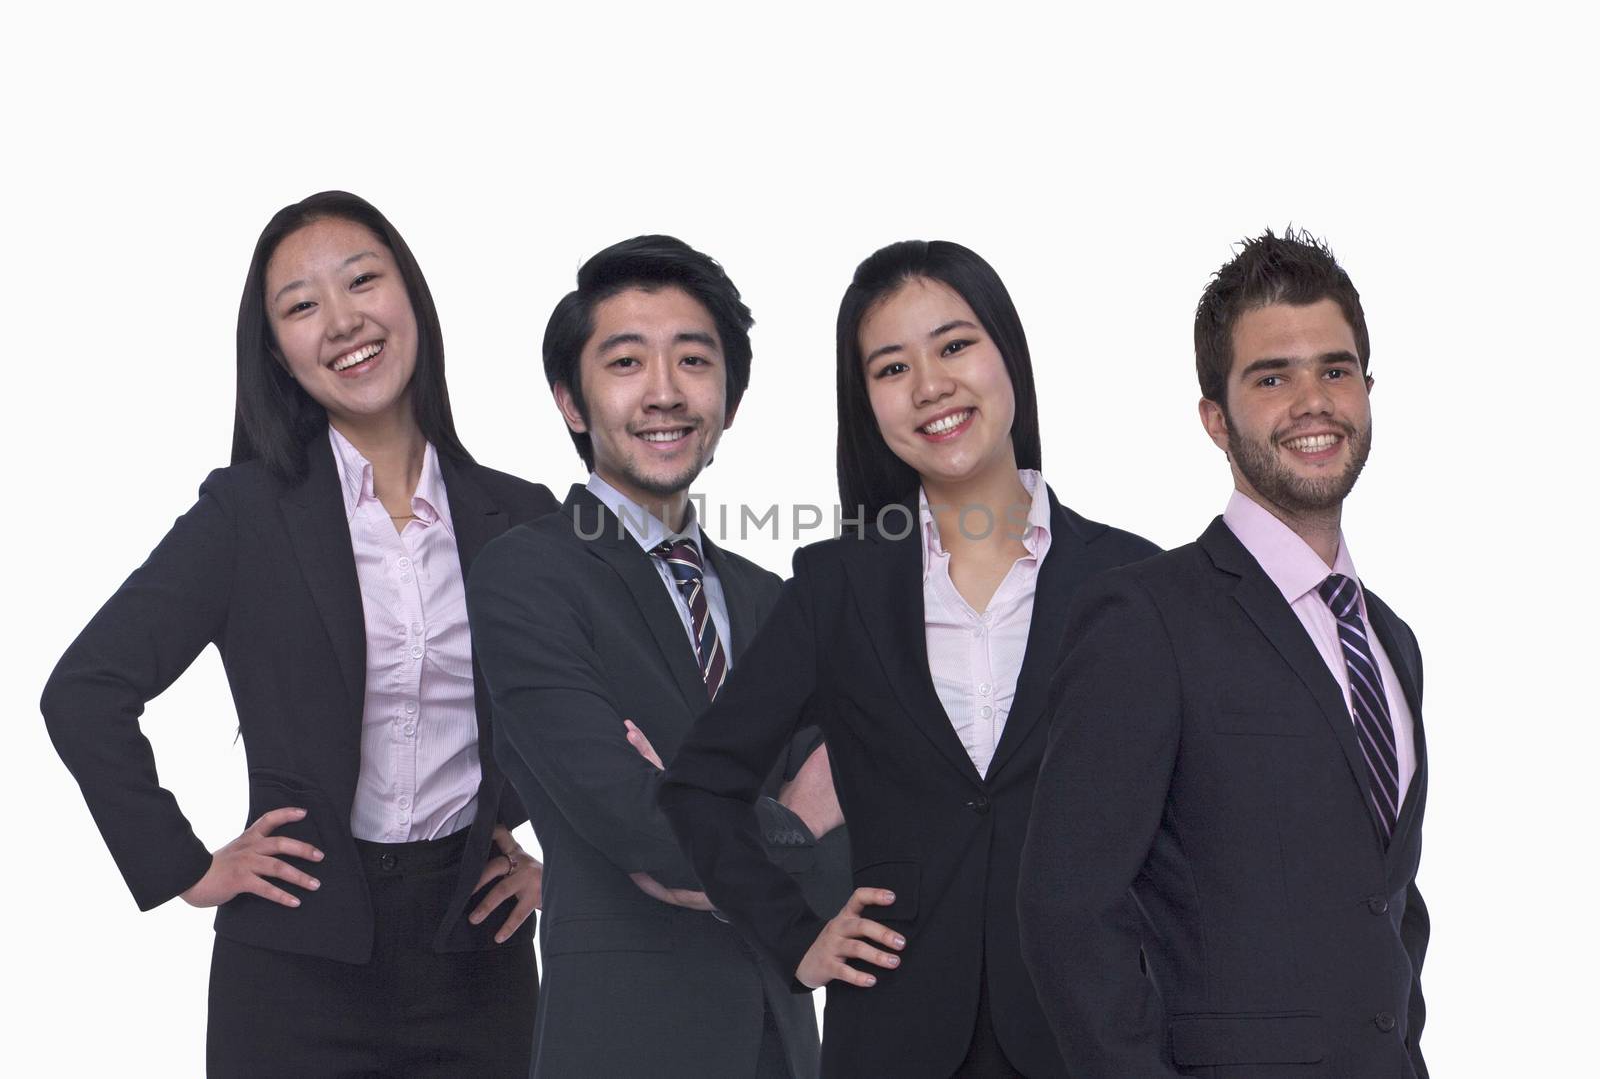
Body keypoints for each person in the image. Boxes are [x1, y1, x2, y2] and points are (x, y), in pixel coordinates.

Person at [40, 191, 554, 1078]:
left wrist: (570, 872)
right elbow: (85, 689)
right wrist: (185, 866)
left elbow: (615, 715)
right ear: (277, 351)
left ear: (412, 298)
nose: (344, 320)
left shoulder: (522, 517)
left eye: (363, 281)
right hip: (292, 969)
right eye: (302, 305)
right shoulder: (245, 515)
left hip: (478, 960)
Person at [658, 240, 1159, 1078]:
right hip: (895, 1036)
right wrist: (797, 937)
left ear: (1010, 355)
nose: (930, 385)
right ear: (869, 403)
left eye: (955, 345)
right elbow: (701, 783)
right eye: (892, 368)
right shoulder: (835, 586)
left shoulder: (1136, 580)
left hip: (1094, 1038)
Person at [1018, 229, 1429, 1078]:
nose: (1312, 401)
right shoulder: (1144, 618)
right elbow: (1066, 911)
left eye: (1335, 369)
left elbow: (1388, 904)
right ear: (1216, 418)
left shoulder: (1391, 641)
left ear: (1368, 390)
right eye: (1271, 377)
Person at [466, 234, 849, 1079]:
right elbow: (630, 819)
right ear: (571, 400)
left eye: (694, 361)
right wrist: (791, 819)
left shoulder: (777, 597)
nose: (666, 393)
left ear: (730, 399)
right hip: (622, 1044)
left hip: (785, 1048)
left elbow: (852, 856)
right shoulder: (527, 575)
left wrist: (700, 827)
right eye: (627, 362)